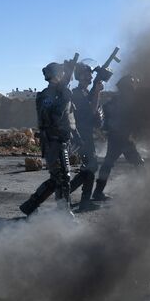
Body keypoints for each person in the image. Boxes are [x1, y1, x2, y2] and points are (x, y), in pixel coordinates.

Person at [19, 61, 77, 217]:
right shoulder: (46, 95)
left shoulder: (60, 93)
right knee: (62, 178)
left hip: (61, 140)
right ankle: (63, 213)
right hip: (53, 140)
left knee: (58, 178)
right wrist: (64, 99)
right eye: (63, 74)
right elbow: (50, 118)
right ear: (56, 75)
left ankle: (30, 205)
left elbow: (69, 119)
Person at [93, 74, 144, 201]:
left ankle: (98, 192)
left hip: (118, 137)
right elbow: (134, 118)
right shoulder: (126, 100)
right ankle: (147, 190)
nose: (134, 87)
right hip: (122, 138)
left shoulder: (117, 100)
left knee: (108, 164)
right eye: (132, 85)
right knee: (138, 163)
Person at [69, 62, 104, 211]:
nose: (90, 76)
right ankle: (78, 199)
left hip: (85, 134)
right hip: (81, 135)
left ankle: (77, 198)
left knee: (90, 166)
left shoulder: (83, 92)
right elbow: (90, 112)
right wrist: (97, 92)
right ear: (81, 76)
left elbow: (95, 114)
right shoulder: (77, 93)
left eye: (90, 73)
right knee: (91, 165)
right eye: (87, 73)